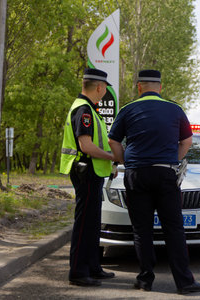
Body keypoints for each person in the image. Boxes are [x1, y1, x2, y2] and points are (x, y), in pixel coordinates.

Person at [108, 69, 200, 295]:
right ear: (160, 87)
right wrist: (173, 159)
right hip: (165, 174)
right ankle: (185, 283)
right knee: (174, 228)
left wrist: (125, 160)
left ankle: (145, 280)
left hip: (137, 176)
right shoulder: (175, 109)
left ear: (139, 86)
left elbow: (113, 140)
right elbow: (187, 141)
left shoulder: (128, 109)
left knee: (141, 229)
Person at [60, 68, 116, 287]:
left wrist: (108, 163)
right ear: (99, 87)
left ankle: (93, 267)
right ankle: (78, 272)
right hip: (86, 171)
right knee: (84, 223)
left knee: (92, 222)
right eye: (104, 90)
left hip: (93, 170)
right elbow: (87, 146)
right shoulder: (83, 109)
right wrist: (112, 156)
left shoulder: (89, 109)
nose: (104, 93)